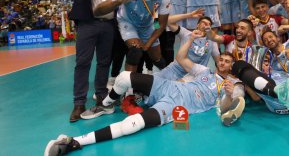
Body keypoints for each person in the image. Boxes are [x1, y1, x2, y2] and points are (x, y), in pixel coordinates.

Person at [44, 31, 245, 156]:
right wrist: (190, 38)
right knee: (124, 77)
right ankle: (105, 105)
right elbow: (181, 58)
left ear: (232, 67)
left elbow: (228, 110)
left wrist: (228, 95)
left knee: (133, 124)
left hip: (177, 107)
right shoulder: (205, 71)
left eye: (227, 62)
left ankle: (76, 142)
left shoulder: (233, 86)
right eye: (221, 60)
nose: (223, 63)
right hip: (169, 87)